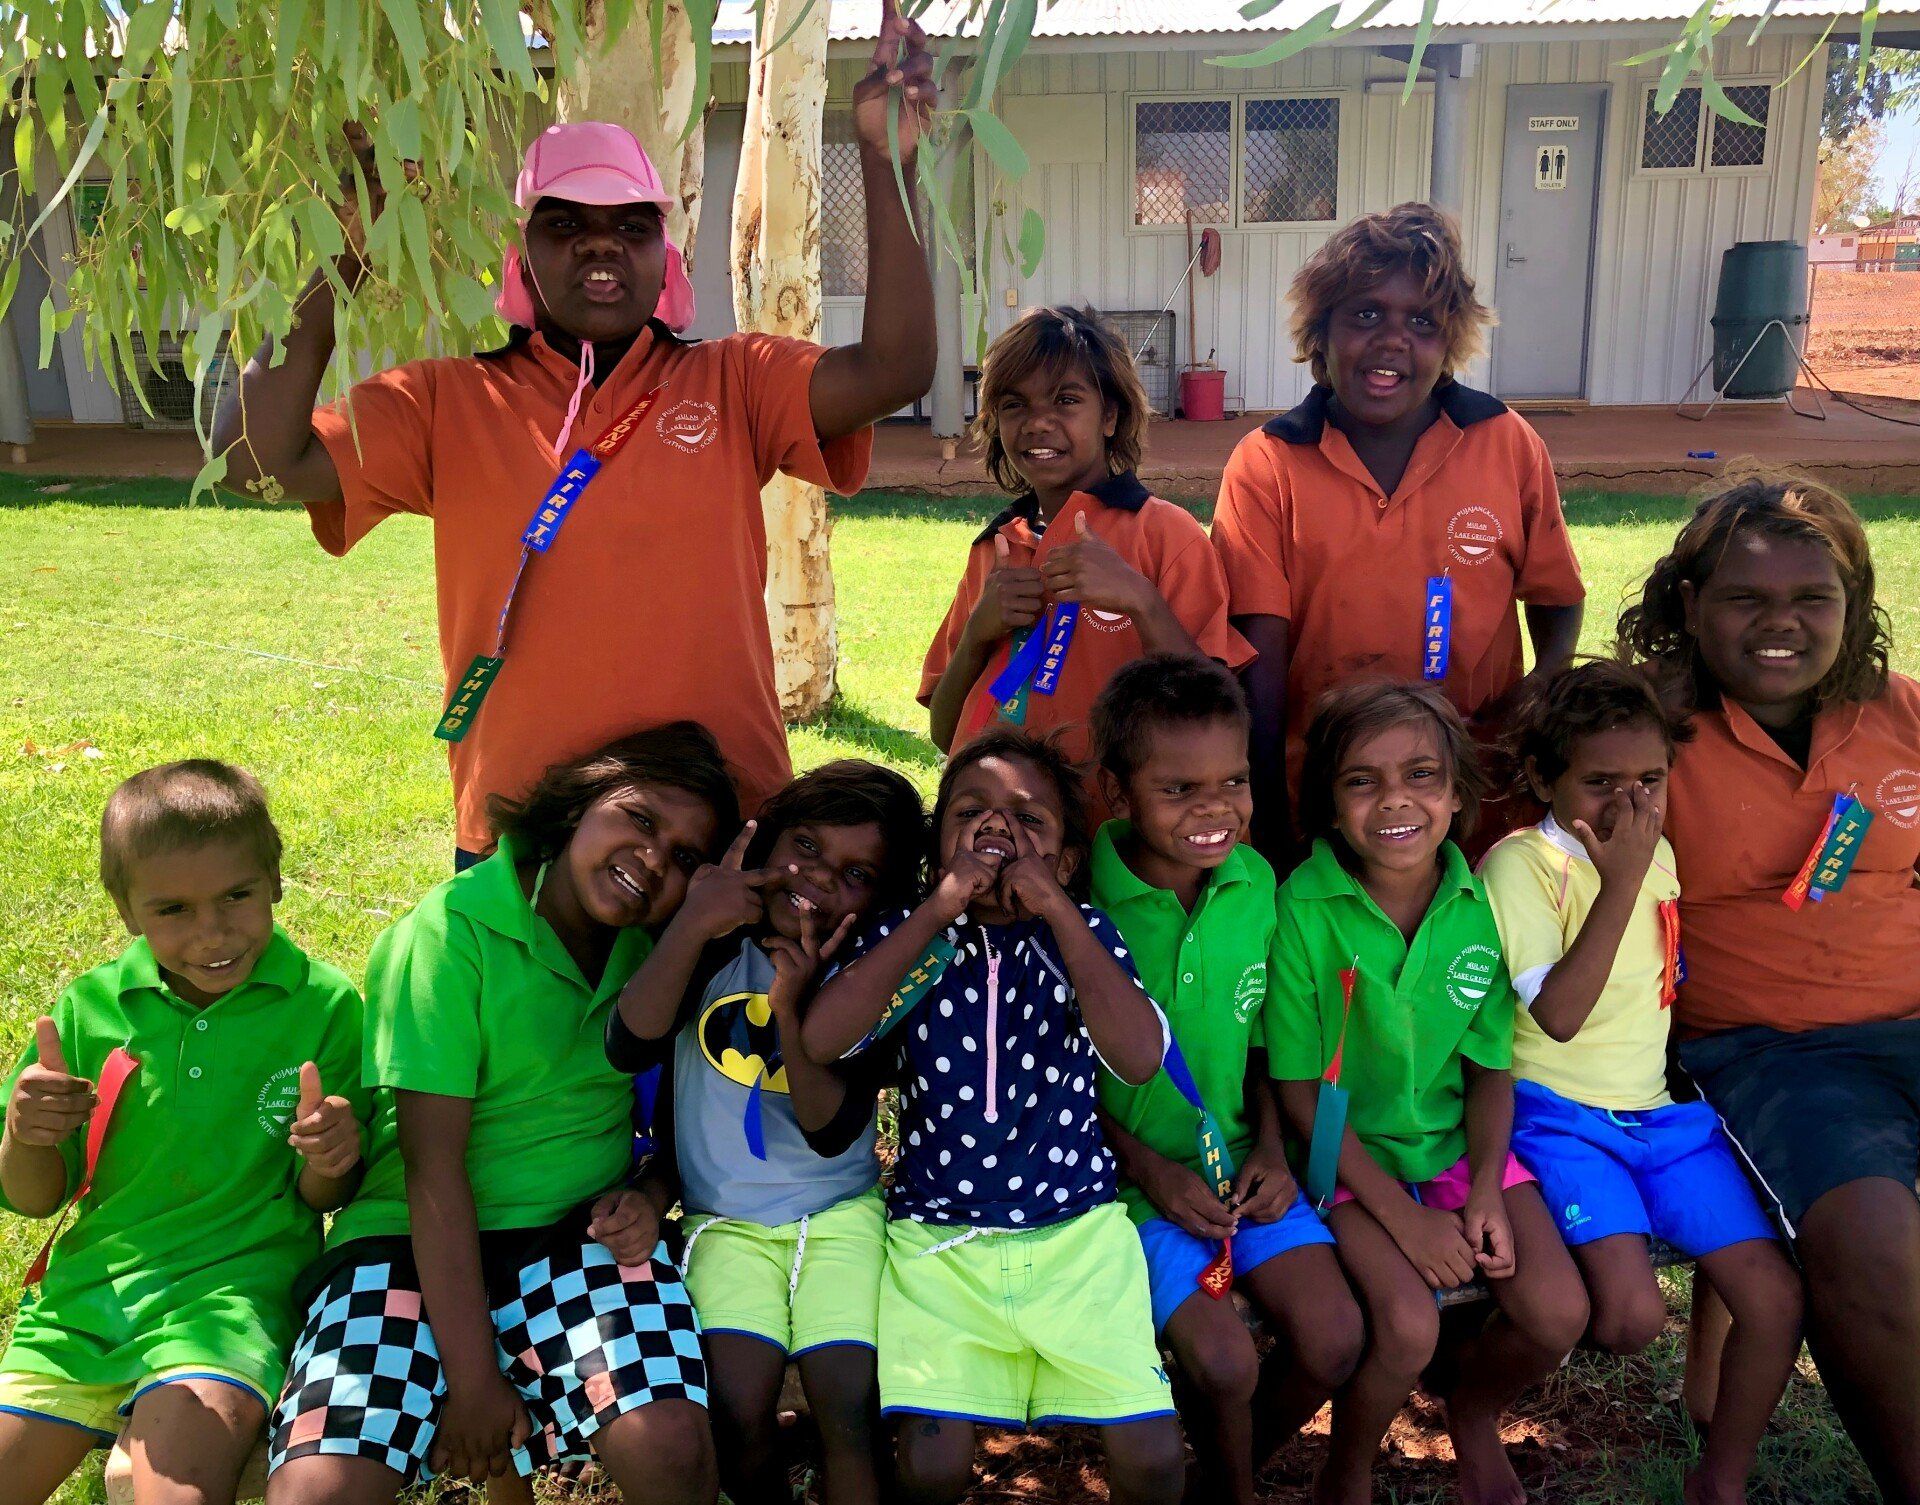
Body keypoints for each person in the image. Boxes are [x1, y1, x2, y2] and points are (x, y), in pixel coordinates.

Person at [211, 9, 940, 866]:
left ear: (664, 255)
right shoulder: (449, 400)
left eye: (632, 224)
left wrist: (888, 158)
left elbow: (895, 366)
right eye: (566, 222)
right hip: (524, 842)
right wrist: (342, 257)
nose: (602, 241)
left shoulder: (734, 381)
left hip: (716, 834)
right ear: (524, 255)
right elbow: (250, 464)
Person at [265, 723, 737, 1505]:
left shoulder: (661, 952)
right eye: (640, 818)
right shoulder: (450, 934)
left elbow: (694, 1124)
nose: (654, 859)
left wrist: (650, 1196)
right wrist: (475, 1380)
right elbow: (433, 1174)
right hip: (407, 1241)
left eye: (686, 855)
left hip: (572, 1235)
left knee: (673, 1451)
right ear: (580, 801)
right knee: (319, 1490)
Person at [1617, 471, 1920, 1505]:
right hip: (1766, 1050)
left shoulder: (1902, 714)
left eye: (1813, 597)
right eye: (1746, 598)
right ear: (1689, 605)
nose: (1781, 623)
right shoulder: (1643, 733)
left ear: (1855, 606)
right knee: (1873, 1240)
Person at [801, 731, 1185, 1505]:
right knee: (932, 1465)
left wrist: (1057, 911)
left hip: (1078, 1235)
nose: (995, 832)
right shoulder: (906, 938)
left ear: (1067, 862)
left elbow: (1140, 1057)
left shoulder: (1085, 939)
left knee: (1150, 1456)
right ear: (936, 846)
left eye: (1028, 821)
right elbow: (822, 1036)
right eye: (970, 813)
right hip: (941, 1242)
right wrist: (938, 906)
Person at [1479, 660, 1802, 1505]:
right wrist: (1618, 880)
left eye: (1650, 779)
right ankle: (1468, 1378)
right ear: (1545, 778)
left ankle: (1719, 1479)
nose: (1628, 803)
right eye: (1599, 782)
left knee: (1773, 1300)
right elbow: (1557, 1015)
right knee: (1627, 1322)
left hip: (1657, 1116)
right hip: (1556, 1114)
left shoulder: (1653, 850)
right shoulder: (1522, 867)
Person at [0, 761, 366, 1505]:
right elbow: (35, 1199)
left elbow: (323, 1193)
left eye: (237, 894)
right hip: (83, 1302)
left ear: (276, 879)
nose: (213, 930)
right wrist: (26, 1135)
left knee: (178, 1494)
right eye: (172, 909)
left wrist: (332, 1155)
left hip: (230, 1303)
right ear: (127, 911)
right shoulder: (92, 1008)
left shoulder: (324, 1005)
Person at [1267, 683, 1588, 1505]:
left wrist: (1484, 1187)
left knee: (1556, 1311)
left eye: (1420, 775)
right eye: (1361, 781)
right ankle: (1346, 1471)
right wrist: (1404, 1218)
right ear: (1330, 805)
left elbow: (1488, 1071)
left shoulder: (1478, 906)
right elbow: (1300, 1093)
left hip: (1454, 1147)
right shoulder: (1302, 909)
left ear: (1456, 794)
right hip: (1346, 1158)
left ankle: (1472, 1413)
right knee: (1407, 1325)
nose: (1395, 801)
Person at [1209, 204, 1584, 859]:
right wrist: (1273, 823)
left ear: (1450, 343)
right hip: (1324, 807)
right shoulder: (1266, 465)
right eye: (1364, 314)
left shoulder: (1507, 445)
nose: (1391, 340)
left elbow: (1558, 595)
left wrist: (1535, 703)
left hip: (1477, 804)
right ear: (1320, 331)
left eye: (1421, 322)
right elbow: (1257, 670)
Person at [605, 761, 927, 1505]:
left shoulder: (866, 981)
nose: (814, 878)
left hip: (841, 1216)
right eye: (805, 845)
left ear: (880, 898)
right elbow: (631, 1042)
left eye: (854, 873)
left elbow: (828, 1128)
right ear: (768, 836)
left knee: (848, 1406)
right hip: (726, 1224)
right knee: (738, 1404)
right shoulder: (715, 943)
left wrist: (792, 1005)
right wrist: (691, 919)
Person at [1086, 656, 1364, 1505]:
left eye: (1234, 781)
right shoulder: (1082, 899)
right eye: (1178, 790)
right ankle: (1236, 1490)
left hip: (1241, 1167)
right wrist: (1151, 1172)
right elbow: (1055, 1081)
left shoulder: (1257, 886)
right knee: (1223, 1358)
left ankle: (1216, 1477)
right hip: (1124, 1188)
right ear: (1118, 791)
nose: (1215, 810)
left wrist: (1277, 1152)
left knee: (1334, 1336)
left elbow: (1262, 1047)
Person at [921, 306, 1251, 823]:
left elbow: (1216, 715)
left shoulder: (1165, 534)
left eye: (1067, 400)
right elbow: (945, 732)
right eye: (1013, 405)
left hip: (1128, 844)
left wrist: (1139, 599)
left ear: (1111, 416)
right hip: (1012, 844)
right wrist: (978, 634)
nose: (1037, 423)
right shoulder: (995, 550)